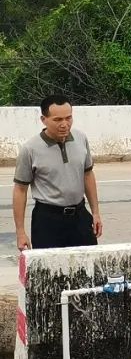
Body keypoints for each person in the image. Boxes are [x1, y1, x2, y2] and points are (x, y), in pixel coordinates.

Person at [12, 94, 103, 250]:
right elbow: (20, 190)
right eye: (57, 120)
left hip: (80, 216)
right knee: (50, 272)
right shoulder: (30, 149)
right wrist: (20, 232)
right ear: (43, 119)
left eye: (68, 118)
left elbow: (87, 175)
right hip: (47, 220)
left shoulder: (81, 139)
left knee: (88, 269)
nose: (64, 124)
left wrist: (95, 212)